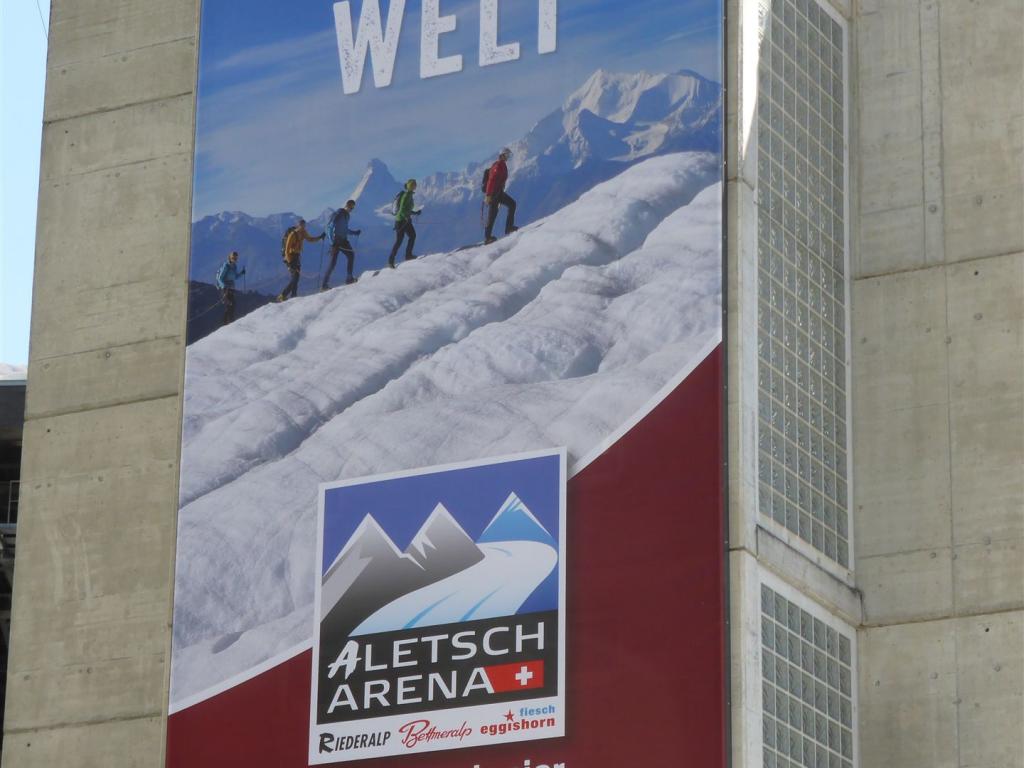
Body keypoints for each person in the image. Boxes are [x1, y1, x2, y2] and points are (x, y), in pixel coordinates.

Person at [277, 219, 324, 302]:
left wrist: (320, 237)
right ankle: (283, 295)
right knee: (295, 277)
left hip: (297, 256)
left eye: (304, 225)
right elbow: (287, 250)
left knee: (296, 277)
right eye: (301, 225)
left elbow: (310, 239)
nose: (303, 227)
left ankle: (293, 295)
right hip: (290, 257)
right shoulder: (292, 234)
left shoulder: (303, 232)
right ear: (298, 225)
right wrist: (289, 262)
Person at [323, 200, 361, 290]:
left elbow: (345, 229)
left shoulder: (347, 216)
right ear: (347, 206)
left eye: (352, 208)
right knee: (332, 263)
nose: (351, 209)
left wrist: (354, 232)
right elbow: (330, 227)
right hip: (336, 242)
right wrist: (332, 242)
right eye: (351, 207)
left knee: (351, 255)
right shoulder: (339, 213)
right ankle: (324, 285)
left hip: (343, 240)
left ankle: (349, 278)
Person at [483, 147, 518, 244]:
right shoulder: (498, 166)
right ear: (502, 155)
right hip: (494, 194)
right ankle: (488, 238)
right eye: (506, 155)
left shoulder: (502, 165)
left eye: (508, 155)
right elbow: (491, 180)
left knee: (512, 204)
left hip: (498, 193)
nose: (508, 157)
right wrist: (488, 195)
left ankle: (509, 227)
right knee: (493, 215)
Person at [388, 179, 421, 268]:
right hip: (400, 221)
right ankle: (391, 260)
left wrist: (415, 213)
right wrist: (407, 217)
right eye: (413, 185)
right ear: (410, 186)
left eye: (415, 185)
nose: (414, 186)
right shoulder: (406, 195)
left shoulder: (409, 195)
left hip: (404, 220)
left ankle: (408, 255)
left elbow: (407, 209)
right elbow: (402, 209)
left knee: (412, 236)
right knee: (400, 240)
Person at [214, 250, 245, 326]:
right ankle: (228, 322)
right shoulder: (226, 266)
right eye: (233, 258)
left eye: (236, 258)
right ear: (230, 258)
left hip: (231, 287)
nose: (235, 260)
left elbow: (234, 277)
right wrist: (224, 286)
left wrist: (241, 273)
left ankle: (229, 322)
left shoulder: (234, 266)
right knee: (230, 304)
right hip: (225, 288)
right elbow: (220, 278)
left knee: (232, 304)